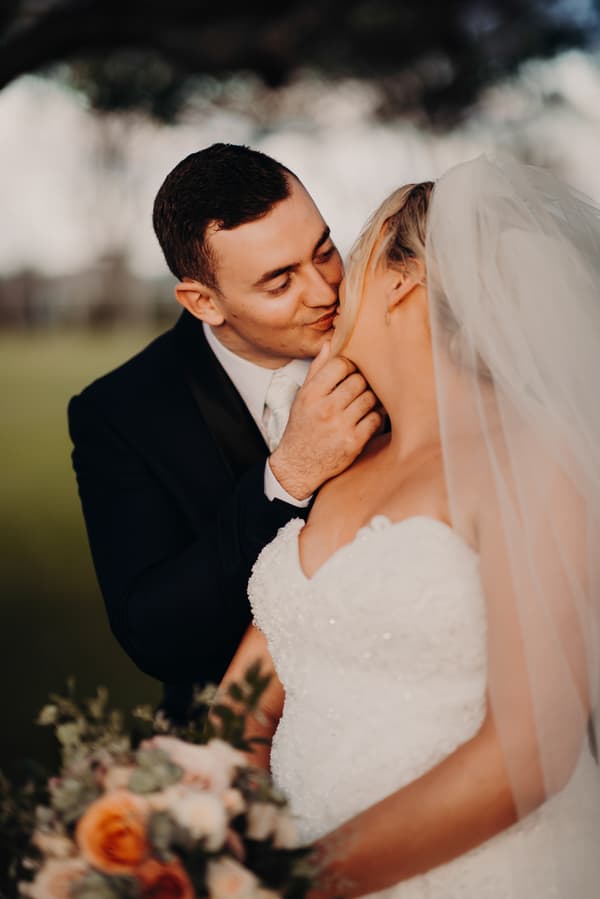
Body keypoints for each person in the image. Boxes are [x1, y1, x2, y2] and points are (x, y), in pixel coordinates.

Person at [223, 154, 600, 896]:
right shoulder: (342, 459)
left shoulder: (532, 460)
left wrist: (298, 879)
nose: (331, 290)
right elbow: (240, 711)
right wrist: (191, 832)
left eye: (351, 258)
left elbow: (528, 753)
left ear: (404, 280)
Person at [68, 143, 382, 721]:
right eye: (280, 281)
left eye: (324, 251)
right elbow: (155, 633)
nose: (324, 291)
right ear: (203, 302)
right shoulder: (121, 413)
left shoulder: (396, 340)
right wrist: (288, 476)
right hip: (237, 745)